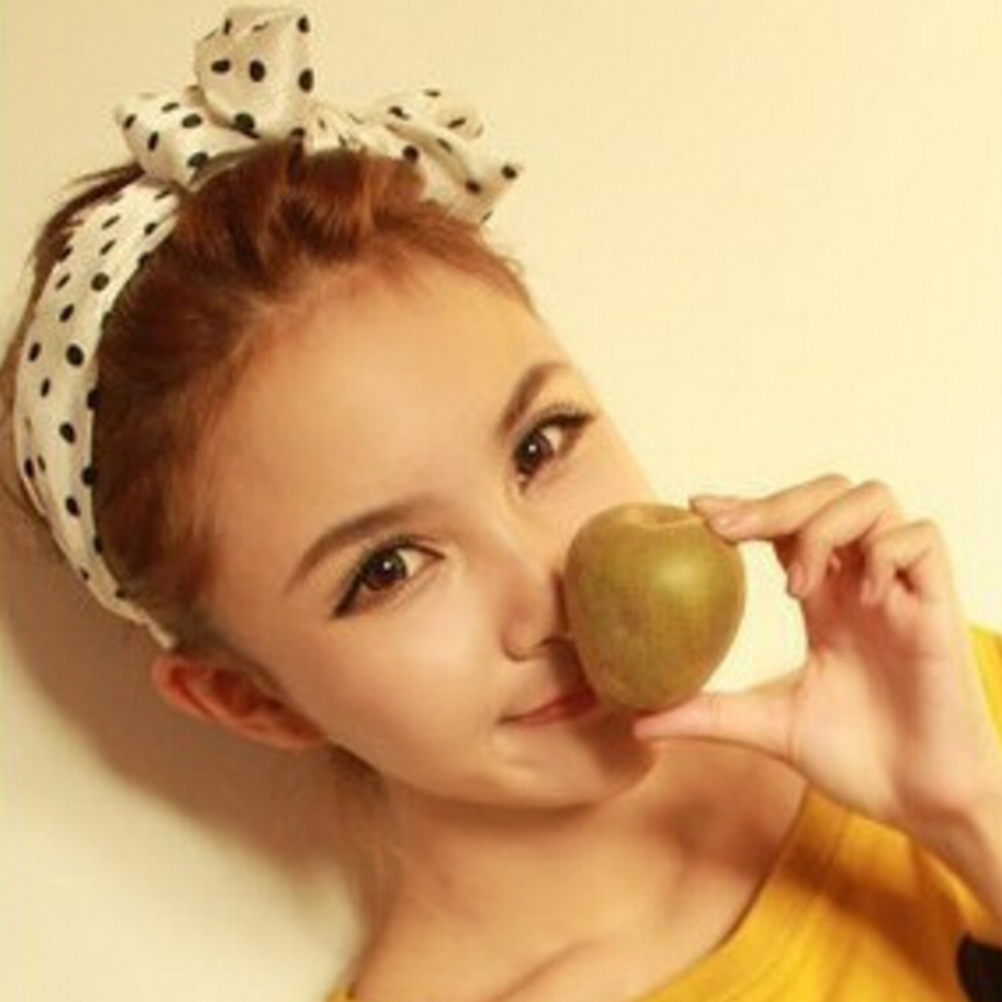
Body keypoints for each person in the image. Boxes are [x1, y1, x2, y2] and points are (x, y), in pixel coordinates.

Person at [2, 7, 1000, 1001]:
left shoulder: (956, 715)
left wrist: (968, 812)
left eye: (540, 446)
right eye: (387, 569)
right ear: (252, 701)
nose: (547, 597)